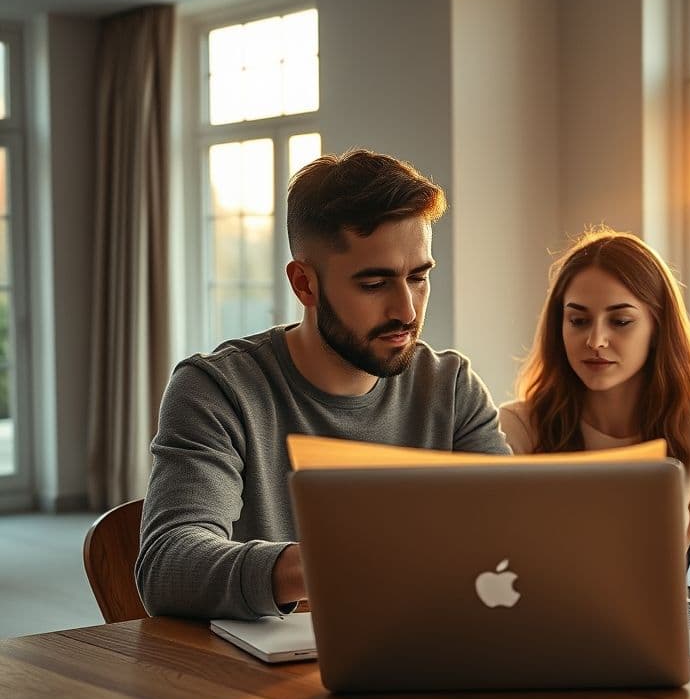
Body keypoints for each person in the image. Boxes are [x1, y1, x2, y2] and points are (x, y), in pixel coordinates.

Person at [137, 149, 509, 620]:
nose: (407, 311)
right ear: (304, 284)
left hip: (430, 639)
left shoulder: (451, 388)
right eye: (374, 284)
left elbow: (513, 536)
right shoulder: (217, 390)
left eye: (418, 277)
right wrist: (326, 562)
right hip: (271, 662)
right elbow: (167, 564)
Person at [500, 229, 690, 543]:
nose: (595, 341)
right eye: (578, 321)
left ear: (658, 327)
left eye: (620, 321)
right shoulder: (516, 429)